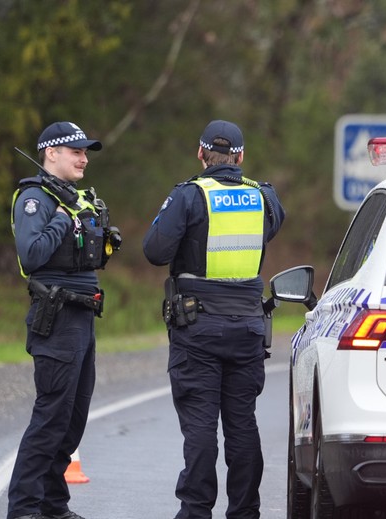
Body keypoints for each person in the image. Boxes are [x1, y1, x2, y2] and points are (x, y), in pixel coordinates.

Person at [142, 119, 286, 519]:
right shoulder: (264, 197)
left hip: (198, 329)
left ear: (201, 153)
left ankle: (195, 512)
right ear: (241, 157)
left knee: (201, 427)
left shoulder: (189, 196)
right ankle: (245, 512)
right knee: (242, 425)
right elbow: (272, 227)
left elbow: (155, 251)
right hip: (248, 328)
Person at [8, 121, 120, 519]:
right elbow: (31, 256)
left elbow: (86, 256)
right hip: (56, 317)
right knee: (51, 417)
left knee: (72, 419)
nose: (84, 158)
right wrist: (62, 218)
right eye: (76, 151)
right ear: (51, 153)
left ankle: (53, 506)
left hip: (83, 315)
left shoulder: (77, 198)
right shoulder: (35, 199)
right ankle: (23, 509)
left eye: (85, 152)